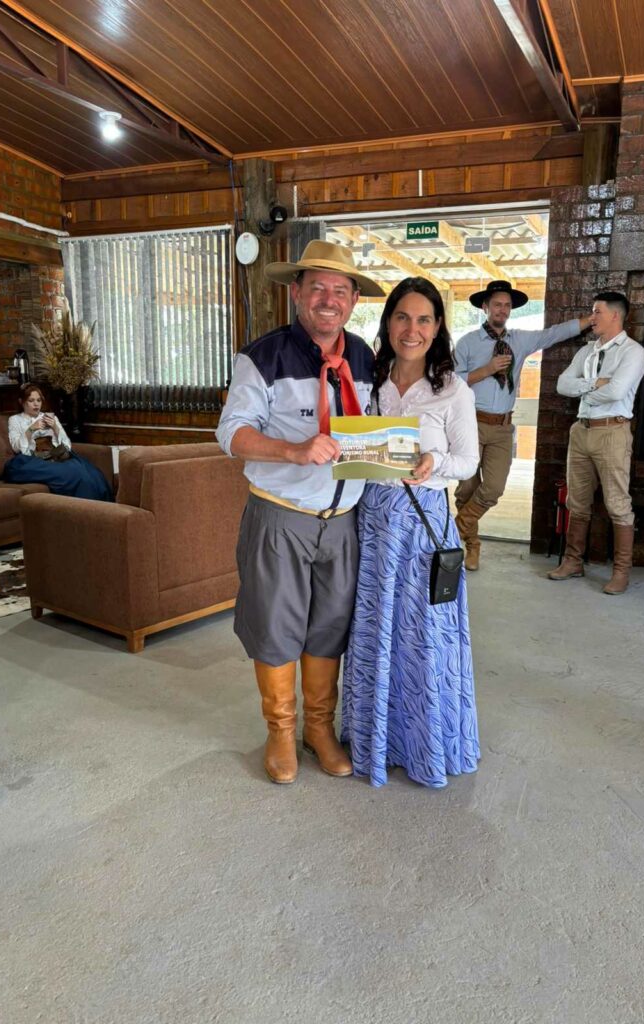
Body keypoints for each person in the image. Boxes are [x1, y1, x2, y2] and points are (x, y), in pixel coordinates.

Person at [216, 240, 384, 785]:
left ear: (353, 300)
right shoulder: (261, 357)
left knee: (330, 627)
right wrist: (292, 450)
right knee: (275, 626)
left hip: (344, 522)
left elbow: (373, 428)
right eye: (318, 288)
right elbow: (231, 434)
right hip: (281, 516)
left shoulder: (365, 357)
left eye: (340, 290)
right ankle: (280, 731)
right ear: (297, 292)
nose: (328, 299)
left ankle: (318, 728)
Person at [340, 277, 480, 789]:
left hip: (423, 526)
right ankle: (376, 741)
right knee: (375, 630)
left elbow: (468, 461)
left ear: (438, 327)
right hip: (372, 522)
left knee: (423, 637)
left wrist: (433, 461)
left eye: (423, 319)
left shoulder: (452, 390)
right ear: (388, 322)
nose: (412, 329)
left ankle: (426, 746)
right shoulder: (366, 381)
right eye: (402, 317)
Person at [453, 281, 593, 571]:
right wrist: (487, 369)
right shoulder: (467, 342)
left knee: (492, 488)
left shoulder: (520, 340)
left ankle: (455, 528)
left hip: (503, 428)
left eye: (507, 305)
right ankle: (472, 546)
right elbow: (451, 383)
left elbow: (553, 334)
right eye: (497, 304)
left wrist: (590, 321)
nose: (502, 309)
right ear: (485, 307)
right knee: (466, 489)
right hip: (469, 423)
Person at [548, 291, 644, 595]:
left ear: (615, 315)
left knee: (617, 504)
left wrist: (585, 393)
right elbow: (561, 384)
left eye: (597, 312)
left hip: (612, 432)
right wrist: (593, 384)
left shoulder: (632, 352)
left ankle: (621, 572)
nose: (592, 318)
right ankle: (573, 561)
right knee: (576, 501)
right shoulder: (587, 351)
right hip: (581, 431)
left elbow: (616, 392)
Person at [4, 383, 112, 501]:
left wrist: (55, 427)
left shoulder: (50, 418)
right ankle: (81, 506)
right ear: (21, 402)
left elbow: (66, 445)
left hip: (55, 455)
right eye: (31, 400)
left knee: (91, 473)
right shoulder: (15, 420)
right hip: (32, 458)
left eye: (39, 400)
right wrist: (31, 429)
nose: (36, 404)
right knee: (74, 472)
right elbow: (16, 447)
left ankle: (100, 507)